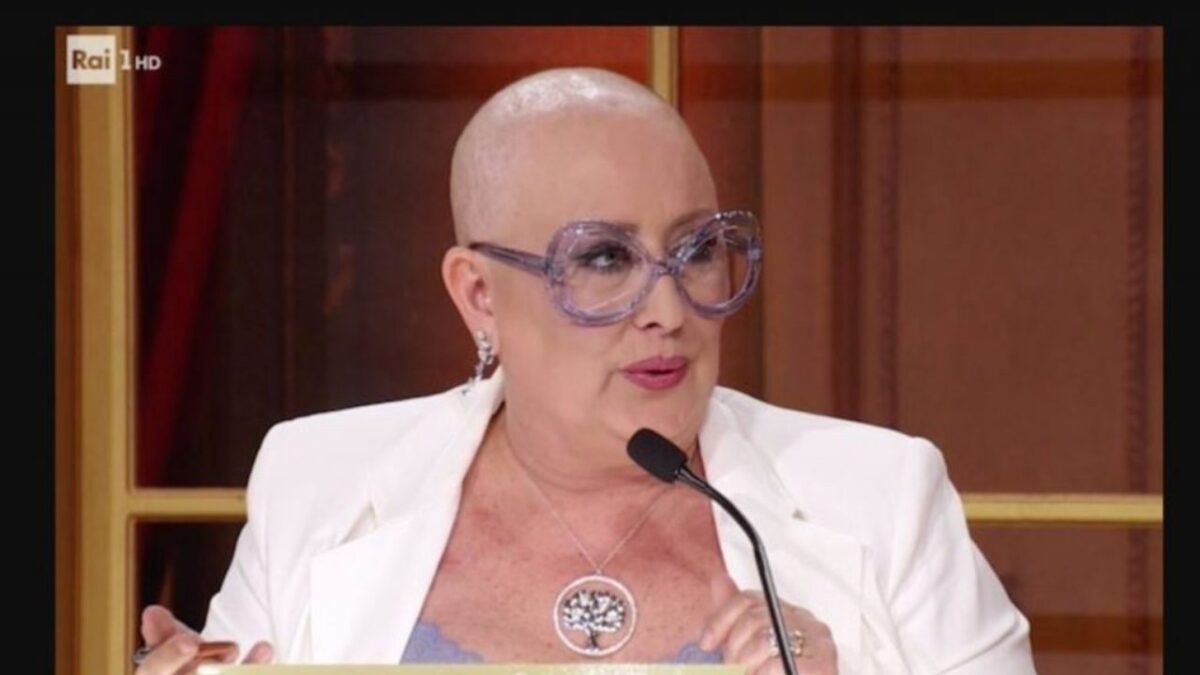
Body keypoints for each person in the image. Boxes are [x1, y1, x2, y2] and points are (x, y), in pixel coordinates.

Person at [134, 67, 1037, 675]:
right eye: (605, 258)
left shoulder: (882, 498)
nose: (669, 307)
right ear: (479, 295)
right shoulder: (318, 484)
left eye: (697, 249)